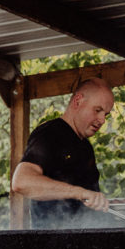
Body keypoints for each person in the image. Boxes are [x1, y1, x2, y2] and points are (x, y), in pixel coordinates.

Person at [11, 77, 114, 229]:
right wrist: (79, 192)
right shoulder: (50, 134)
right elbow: (21, 182)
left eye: (106, 114)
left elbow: (88, 201)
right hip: (52, 244)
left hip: (85, 242)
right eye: (97, 110)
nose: (102, 120)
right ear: (78, 101)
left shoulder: (85, 146)